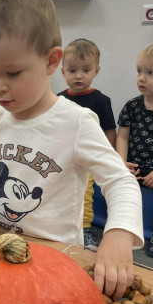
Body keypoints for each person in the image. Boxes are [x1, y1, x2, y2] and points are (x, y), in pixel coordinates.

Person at [0, 0, 144, 301]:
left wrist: (118, 234)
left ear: (50, 61)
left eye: (12, 73)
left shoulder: (77, 122)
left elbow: (121, 182)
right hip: (1, 246)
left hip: (56, 257)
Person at [117, 36, 153, 258]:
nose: (141, 78)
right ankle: (119, 229)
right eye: (139, 71)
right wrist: (122, 163)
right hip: (134, 163)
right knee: (116, 186)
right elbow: (123, 138)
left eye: (151, 73)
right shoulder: (132, 106)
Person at [58, 38, 117, 248]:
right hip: (62, 156)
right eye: (72, 70)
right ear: (63, 71)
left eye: (85, 70)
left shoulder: (101, 101)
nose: (79, 75)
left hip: (88, 157)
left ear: (96, 71)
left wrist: (106, 158)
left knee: (84, 194)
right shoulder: (59, 99)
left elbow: (109, 131)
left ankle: (85, 229)